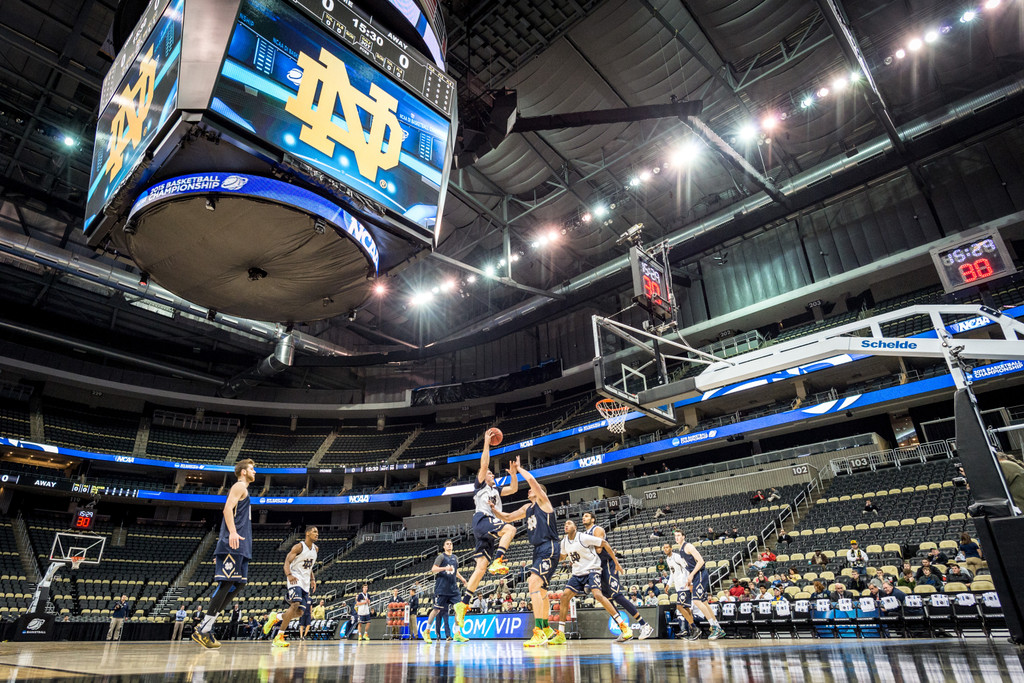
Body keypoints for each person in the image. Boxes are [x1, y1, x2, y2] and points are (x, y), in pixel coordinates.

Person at [453, 428, 519, 633]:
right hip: (482, 520)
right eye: (490, 473)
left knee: (480, 568)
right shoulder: (480, 486)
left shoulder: (497, 490)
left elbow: (514, 489)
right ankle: (499, 559)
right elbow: (484, 463)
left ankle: (462, 605)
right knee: (510, 529)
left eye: (492, 474)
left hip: (487, 527)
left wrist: (514, 475)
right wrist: (486, 443)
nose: (491, 474)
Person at [487, 464, 560, 646]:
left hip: (548, 546)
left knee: (532, 583)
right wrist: (495, 510)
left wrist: (518, 469)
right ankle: (545, 629)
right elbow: (509, 517)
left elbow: (532, 481)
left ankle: (538, 632)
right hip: (538, 550)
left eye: (531, 490)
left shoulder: (544, 502)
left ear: (538, 492)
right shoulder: (528, 508)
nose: (528, 491)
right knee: (541, 590)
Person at [193, 459, 256, 649]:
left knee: (239, 584)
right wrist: (232, 533)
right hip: (233, 542)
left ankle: (206, 626)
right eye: (252, 469)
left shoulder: (244, 489)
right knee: (228, 583)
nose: (255, 472)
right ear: (243, 472)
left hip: (240, 545)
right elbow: (227, 508)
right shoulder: (239, 485)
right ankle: (204, 629)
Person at [556, 519, 633, 643]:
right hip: (578, 573)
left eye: (569, 523)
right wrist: (553, 552)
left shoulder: (583, 537)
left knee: (598, 595)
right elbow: (562, 557)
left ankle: (624, 627)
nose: (566, 525)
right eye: (565, 524)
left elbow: (604, 543)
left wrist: (616, 562)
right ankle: (560, 634)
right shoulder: (564, 541)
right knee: (564, 597)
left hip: (592, 569)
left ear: (575, 527)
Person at [580, 511, 653, 640]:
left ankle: (644, 625)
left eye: (586, 516)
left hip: (607, 564)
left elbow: (598, 549)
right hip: (596, 568)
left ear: (592, 519)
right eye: (583, 516)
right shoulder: (584, 534)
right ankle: (623, 629)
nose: (583, 518)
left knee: (617, 595)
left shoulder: (597, 529)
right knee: (607, 600)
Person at [263, 525, 318, 648]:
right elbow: (287, 562)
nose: (317, 534)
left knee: (299, 612)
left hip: (305, 583)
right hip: (295, 579)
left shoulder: (316, 549)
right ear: (307, 533)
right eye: (314, 532)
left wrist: (313, 579)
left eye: (317, 532)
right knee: (295, 604)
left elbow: (309, 567)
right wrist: (289, 575)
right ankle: (279, 636)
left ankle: (276, 617)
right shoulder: (299, 546)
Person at [674, 530, 726, 640]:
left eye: (679, 535)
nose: (676, 537)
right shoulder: (680, 549)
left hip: (700, 574)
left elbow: (701, 561)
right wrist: (689, 579)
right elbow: (689, 566)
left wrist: (692, 575)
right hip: (696, 576)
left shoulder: (688, 546)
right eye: (675, 536)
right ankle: (717, 627)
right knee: (704, 602)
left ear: (683, 536)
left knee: (697, 601)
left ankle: (714, 627)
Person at [424, 538, 468, 643]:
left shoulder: (455, 558)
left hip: (453, 589)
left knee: (459, 609)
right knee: (436, 611)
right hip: (442, 589)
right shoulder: (441, 557)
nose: (449, 545)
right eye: (447, 544)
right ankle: (427, 631)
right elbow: (433, 569)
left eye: (450, 544)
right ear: (444, 547)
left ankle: (457, 634)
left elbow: (455, 571)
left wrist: (462, 579)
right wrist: (444, 568)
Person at [662, 541, 699, 640]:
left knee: (679, 607)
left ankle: (694, 628)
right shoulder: (668, 559)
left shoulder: (677, 557)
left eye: (667, 547)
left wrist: (690, 583)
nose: (666, 549)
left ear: (671, 548)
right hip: (678, 587)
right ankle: (693, 630)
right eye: (664, 548)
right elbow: (672, 572)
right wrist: (668, 584)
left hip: (684, 585)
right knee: (686, 609)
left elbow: (687, 568)